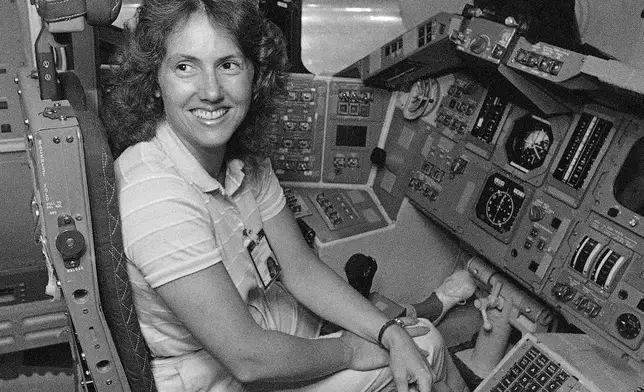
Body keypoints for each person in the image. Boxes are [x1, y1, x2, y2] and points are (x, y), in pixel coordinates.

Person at [103, 1, 471, 391]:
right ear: (154, 80)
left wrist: (386, 333)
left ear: (254, 75)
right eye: (185, 66)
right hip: (223, 374)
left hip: (273, 324)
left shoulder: (244, 162)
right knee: (428, 344)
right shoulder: (156, 194)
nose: (211, 91)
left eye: (229, 65)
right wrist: (349, 349)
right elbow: (247, 358)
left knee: (406, 333)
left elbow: (300, 269)